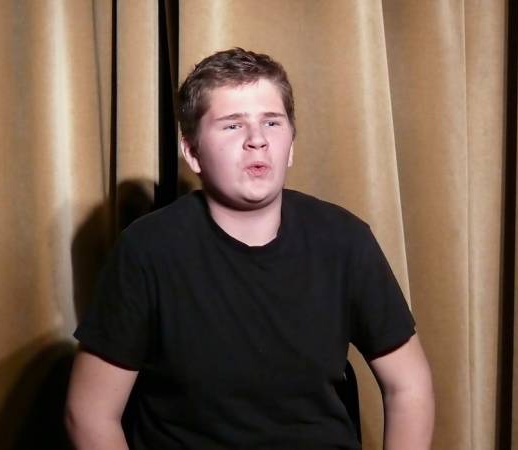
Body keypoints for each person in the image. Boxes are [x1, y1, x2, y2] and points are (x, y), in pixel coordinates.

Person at [65, 48, 434, 450]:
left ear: (291, 144)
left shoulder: (345, 240)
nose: (257, 140)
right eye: (233, 125)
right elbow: (89, 413)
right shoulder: (147, 250)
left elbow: (409, 386)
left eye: (272, 122)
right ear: (192, 152)